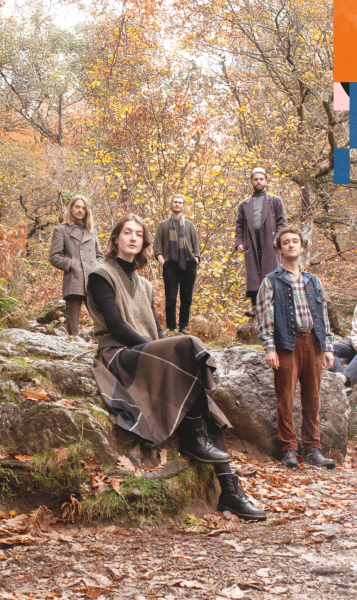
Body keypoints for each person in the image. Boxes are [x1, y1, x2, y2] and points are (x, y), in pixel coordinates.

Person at [87, 214, 266, 520]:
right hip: (118, 354)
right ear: (115, 238)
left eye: (138, 234)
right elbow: (115, 325)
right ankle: (194, 439)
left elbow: (157, 330)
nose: (132, 238)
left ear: (144, 242)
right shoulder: (100, 275)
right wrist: (158, 353)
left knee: (205, 405)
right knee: (187, 343)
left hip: (146, 355)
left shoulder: (144, 284)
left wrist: (161, 353)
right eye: (126, 232)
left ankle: (230, 493)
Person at [256, 226, 336, 470]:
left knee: (313, 398)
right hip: (286, 344)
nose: (291, 245)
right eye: (286, 242)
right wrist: (270, 347)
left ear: (302, 247)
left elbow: (323, 315)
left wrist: (328, 346)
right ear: (278, 248)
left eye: (295, 241)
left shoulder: (314, 280)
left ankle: (313, 449)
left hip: (313, 343)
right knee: (286, 398)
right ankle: (289, 449)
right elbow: (264, 316)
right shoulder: (271, 281)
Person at [235, 168, 288, 317]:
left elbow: (282, 222)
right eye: (256, 179)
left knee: (272, 271)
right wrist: (239, 242)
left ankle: (273, 306)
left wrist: (279, 238)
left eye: (261, 179)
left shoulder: (275, 201)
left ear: (266, 181)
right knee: (253, 273)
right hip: (251, 240)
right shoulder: (244, 204)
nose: (258, 181)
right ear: (251, 182)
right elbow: (239, 225)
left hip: (270, 240)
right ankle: (255, 307)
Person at [49, 195, 104, 336]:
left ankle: (104, 345)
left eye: (83, 208)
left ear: (87, 211)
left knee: (100, 316)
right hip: (74, 278)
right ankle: (72, 348)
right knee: (72, 323)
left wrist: (97, 268)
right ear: (71, 208)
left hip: (92, 278)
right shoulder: (61, 230)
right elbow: (54, 256)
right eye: (77, 207)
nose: (80, 210)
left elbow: (100, 256)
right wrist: (72, 264)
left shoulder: (92, 231)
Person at [153, 194, 201, 333]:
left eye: (180, 202)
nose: (177, 204)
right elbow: (157, 245)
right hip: (171, 264)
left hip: (188, 264)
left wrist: (196, 259)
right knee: (171, 297)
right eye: (175, 202)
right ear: (171, 204)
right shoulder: (163, 225)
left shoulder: (189, 224)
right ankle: (171, 327)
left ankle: (183, 326)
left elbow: (195, 244)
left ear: (183, 206)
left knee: (187, 297)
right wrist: (162, 260)